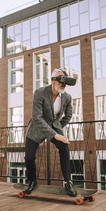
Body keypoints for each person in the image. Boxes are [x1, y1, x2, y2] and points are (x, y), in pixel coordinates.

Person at [24, 68, 77, 197]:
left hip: (54, 127)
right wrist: (54, 134)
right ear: (53, 81)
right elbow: (37, 117)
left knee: (64, 147)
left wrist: (57, 127)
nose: (63, 86)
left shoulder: (67, 97)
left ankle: (68, 182)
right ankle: (32, 180)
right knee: (29, 157)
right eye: (61, 83)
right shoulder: (40, 93)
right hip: (36, 128)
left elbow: (68, 115)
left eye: (65, 84)